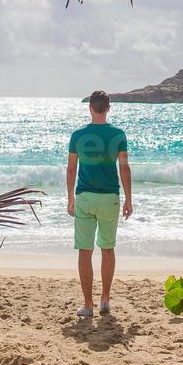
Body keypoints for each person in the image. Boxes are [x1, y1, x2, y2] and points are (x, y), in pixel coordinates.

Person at [66, 90, 132, 317]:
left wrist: (70, 198)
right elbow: (124, 168)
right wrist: (128, 199)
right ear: (109, 107)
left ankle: (88, 304)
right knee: (107, 248)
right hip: (110, 198)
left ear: (90, 108)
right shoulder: (118, 134)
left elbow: (71, 169)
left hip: (85, 197)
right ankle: (105, 298)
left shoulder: (78, 135)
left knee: (85, 250)